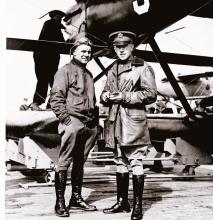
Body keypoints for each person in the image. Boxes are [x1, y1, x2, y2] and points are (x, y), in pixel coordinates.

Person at [100, 31, 157, 220]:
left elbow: (150, 94)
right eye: (118, 46)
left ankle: (138, 207)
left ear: (132, 46)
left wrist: (124, 96)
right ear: (114, 48)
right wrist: (105, 96)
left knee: (136, 161)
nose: (121, 49)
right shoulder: (112, 68)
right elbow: (105, 91)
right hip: (115, 121)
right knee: (119, 161)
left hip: (132, 122)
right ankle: (122, 202)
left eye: (125, 45)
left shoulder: (142, 67)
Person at [50, 35, 98, 217]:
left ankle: (76, 199)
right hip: (72, 121)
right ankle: (60, 203)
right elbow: (56, 98)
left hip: (88, 124)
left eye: (89, 52)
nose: (87, 54)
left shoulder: (89, 74)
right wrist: (66, 120)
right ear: (74, 51)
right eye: (83, 51)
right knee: (64, 162)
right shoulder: (65, 71)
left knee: (80, 161)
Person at [30, 10, 66, 110]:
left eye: (60, 18)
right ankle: (36, 103)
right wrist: (63, 28)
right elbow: (54, 34)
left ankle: (52, 103)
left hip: (52, 58)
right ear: (53, 17)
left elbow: (62, 42)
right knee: (43, 80)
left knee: (54, 81)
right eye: (58, 18)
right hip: (43, 56)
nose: (60, 20)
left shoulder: (56, 28)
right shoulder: (49, 24)